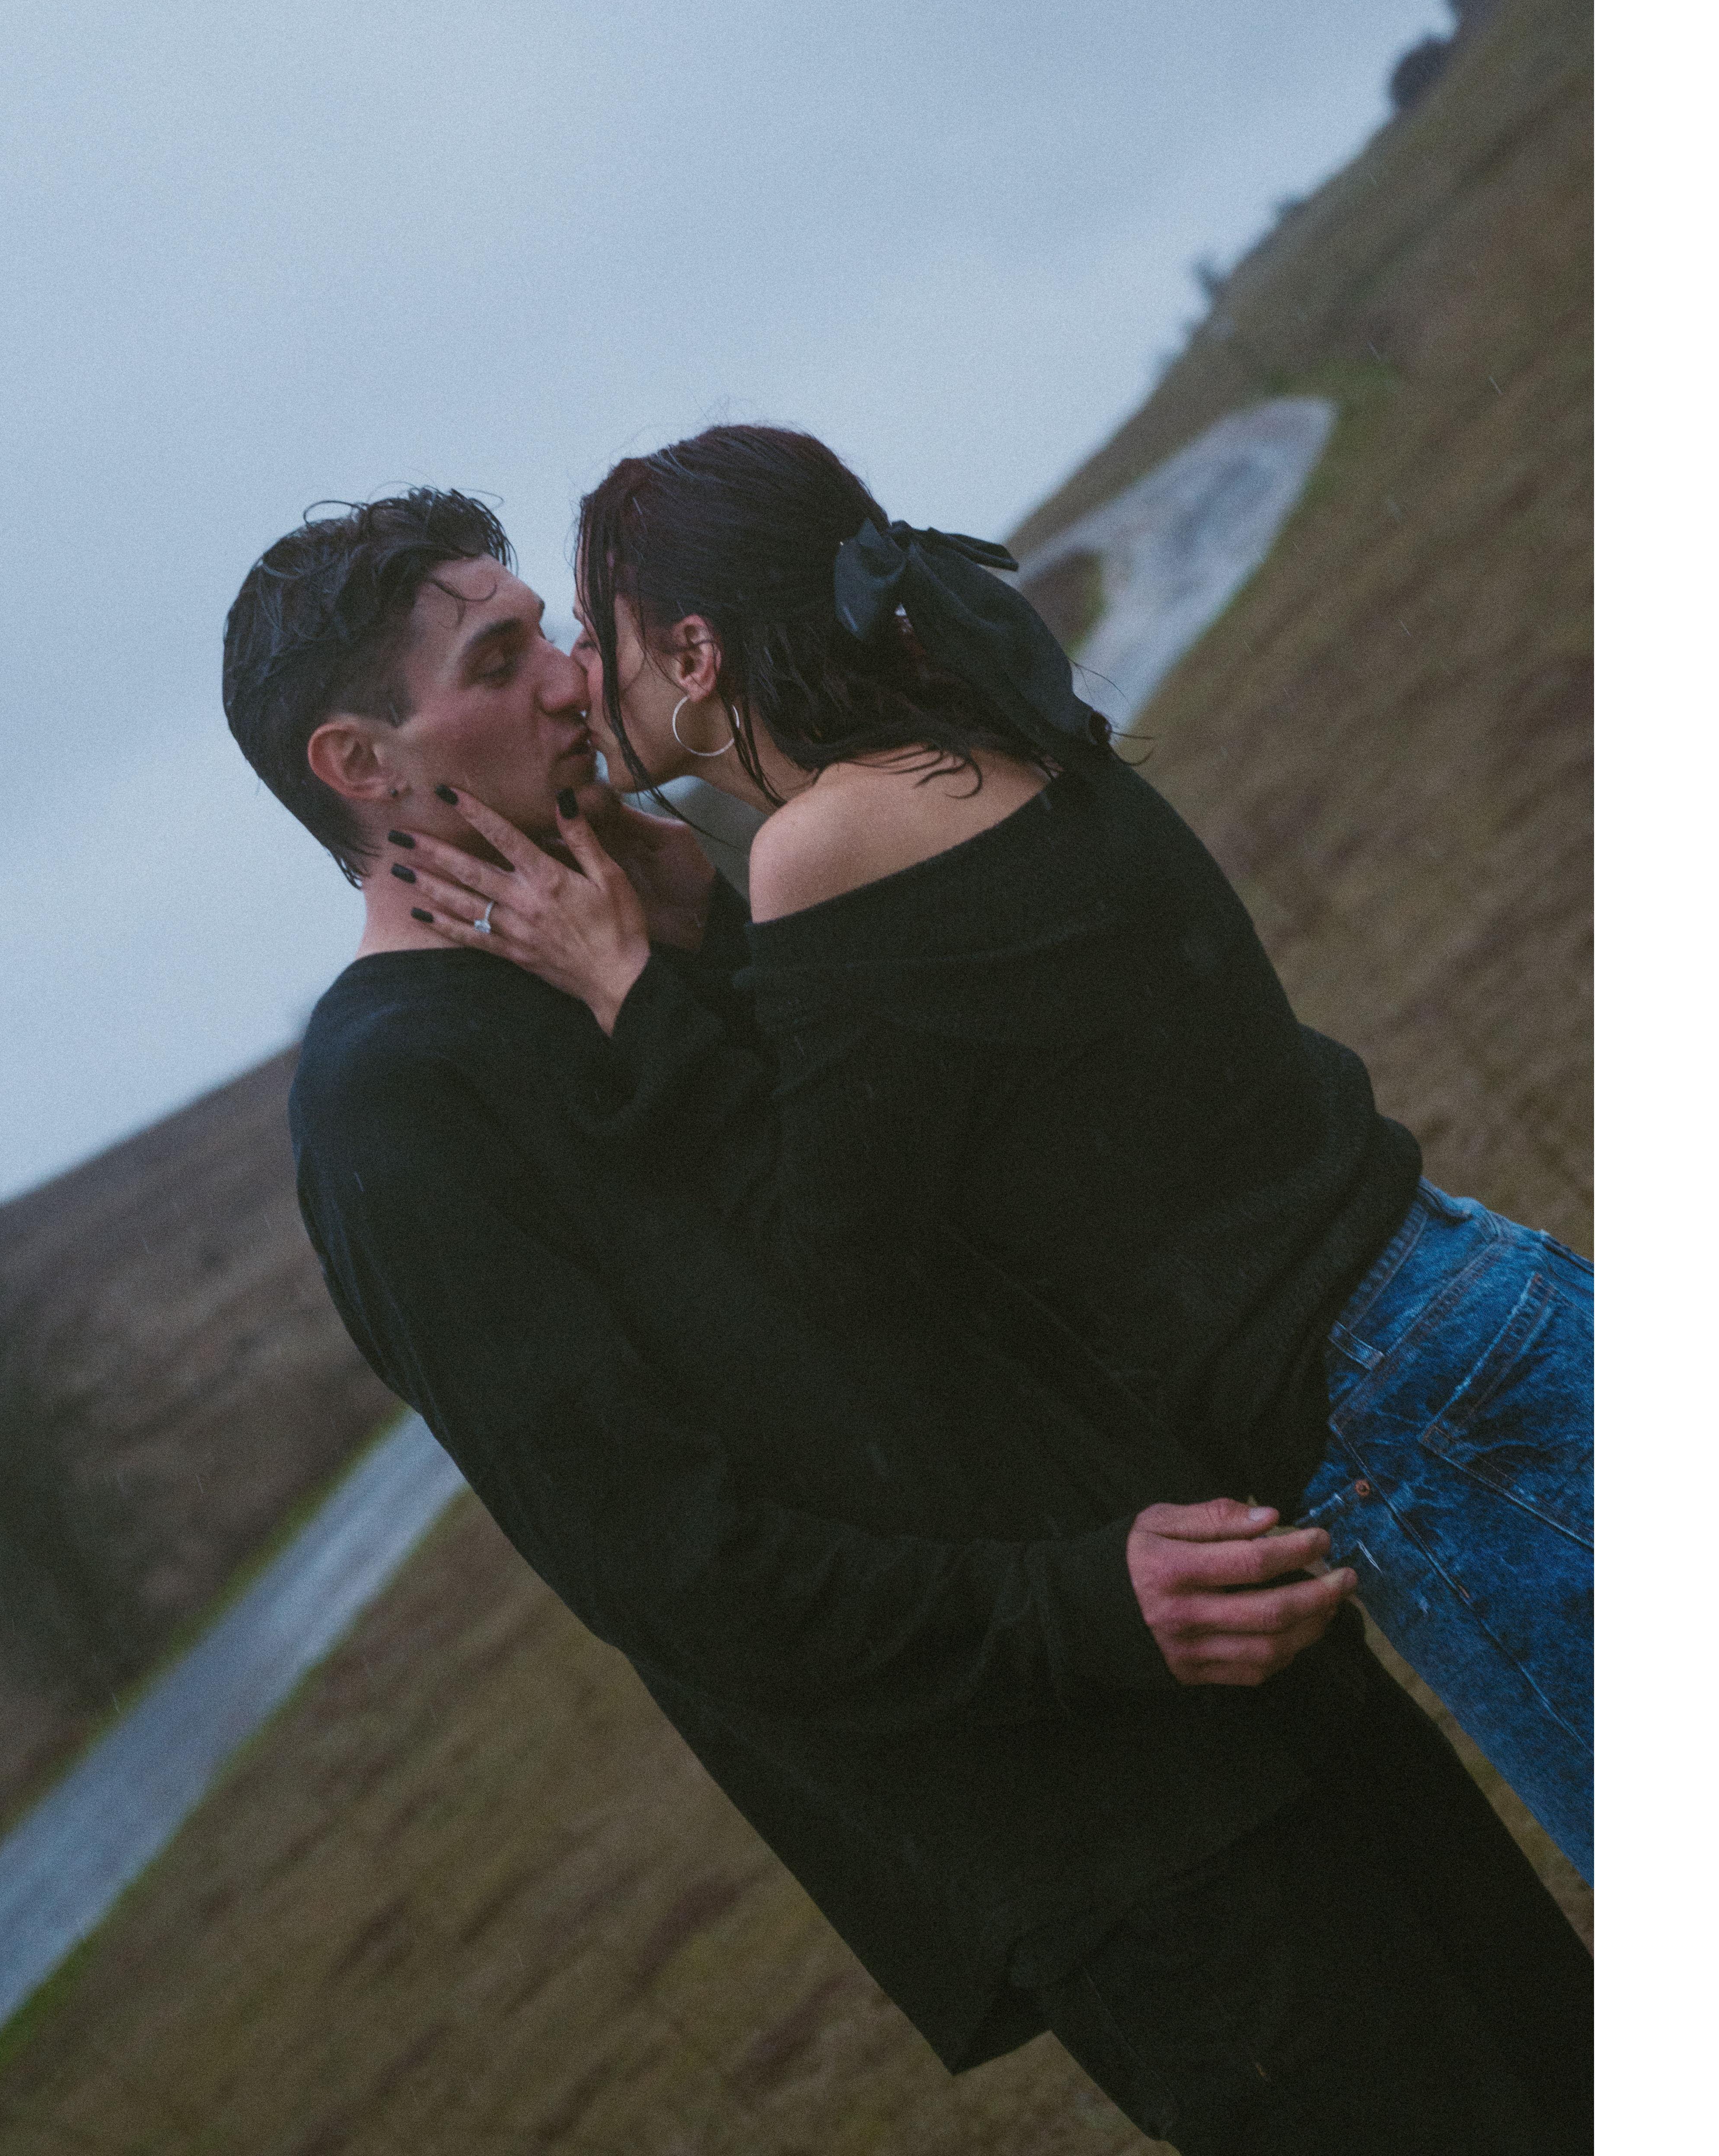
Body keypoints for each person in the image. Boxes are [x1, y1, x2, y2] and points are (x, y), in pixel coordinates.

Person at [225, 486, 1593, 2153]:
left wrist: (708, 938)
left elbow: (893, 1232)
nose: (574, 680)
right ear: (361, 766)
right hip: (1112, 1826)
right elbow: (668, 1561)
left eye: (545, 638)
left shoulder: (651, 923)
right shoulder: (393, 1110)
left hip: (1271, 1657)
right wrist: (1081, 1609)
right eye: (501, 664)